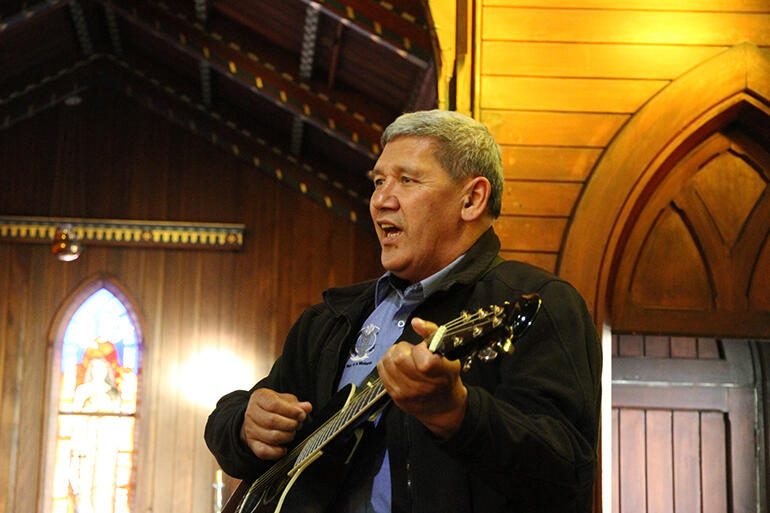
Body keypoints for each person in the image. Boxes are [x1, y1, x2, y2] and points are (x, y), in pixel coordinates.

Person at [205, 109, 601, 512]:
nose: (380, 201)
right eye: (378, 182)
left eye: (406, 180)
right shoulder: (331, 318)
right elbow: (228, 425)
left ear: (472, 199)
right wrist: (244, 426)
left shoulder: (539, 301)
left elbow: (568, 472)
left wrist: (458, 413)